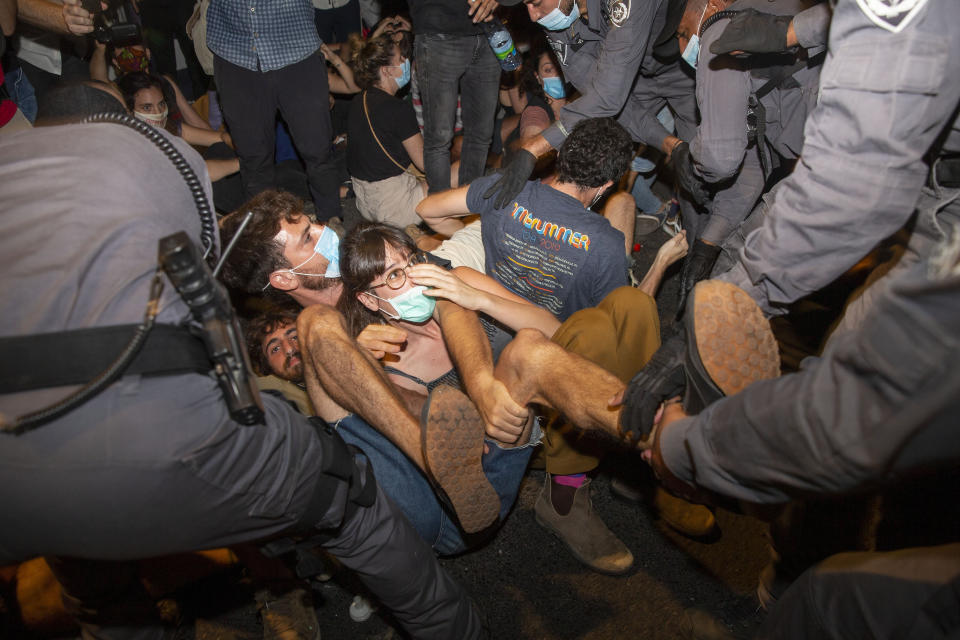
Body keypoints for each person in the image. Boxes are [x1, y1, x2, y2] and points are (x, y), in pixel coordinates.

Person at [0, 111, 484, 639]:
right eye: (305, 238)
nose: (324, 233)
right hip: (314, 448)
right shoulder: (297, 325)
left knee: (95, 590)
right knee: (342, 487)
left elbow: (441, 272)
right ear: (281, 277)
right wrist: (345, 353)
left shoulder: (367, 257)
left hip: (29, 485)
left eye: (311, 225)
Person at [418, 117, 713, 570]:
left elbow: (429, 211)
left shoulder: (506, 188)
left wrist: (481, 227)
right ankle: (591, 477)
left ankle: (631, 442)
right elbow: (612, 323)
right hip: (541, 343)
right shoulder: (604, 244)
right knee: (622, 314)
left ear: (561, 156)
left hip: (494, 323)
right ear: (608, 183)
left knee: (625, 309)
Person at [486, 0, 699, 239]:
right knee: (614, 150)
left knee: (706, 169)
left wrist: (534, 148)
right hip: (632, 80)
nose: (533, 16)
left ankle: (703, 242)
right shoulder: (557, 15)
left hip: (681, 71)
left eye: (535, 3)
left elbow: (608, 96)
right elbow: (607, 100)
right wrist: (671, 144)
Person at [671, 0, 824, 302]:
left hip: (841, 159)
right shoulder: (777, 11)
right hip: (855, 152)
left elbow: (721, 158)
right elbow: (751, 165)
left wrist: (691, 160)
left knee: (735, 278)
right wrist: (707, 242)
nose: (681, 49)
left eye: (684, 33)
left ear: (712, 6)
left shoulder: (719, 32)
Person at [205, 0, 342, 220]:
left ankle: (331, 228)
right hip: (235, 51)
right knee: (253, 160)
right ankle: (265, 237)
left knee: (318, 152)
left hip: (296, 48)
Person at [407, 0, 501, 193]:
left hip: (488, 29)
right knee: (439, 138)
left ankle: (469, 210)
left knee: (482, 134)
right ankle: (440, 216)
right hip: (438, 30)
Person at [347, 34, 428, 228]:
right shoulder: (397, 108)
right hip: (394, 210)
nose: (406, 62)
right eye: (401, 59)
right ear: (387, 70)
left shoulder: (359, 100)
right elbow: (427, 164)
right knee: (458, 170)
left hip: (366, 206)